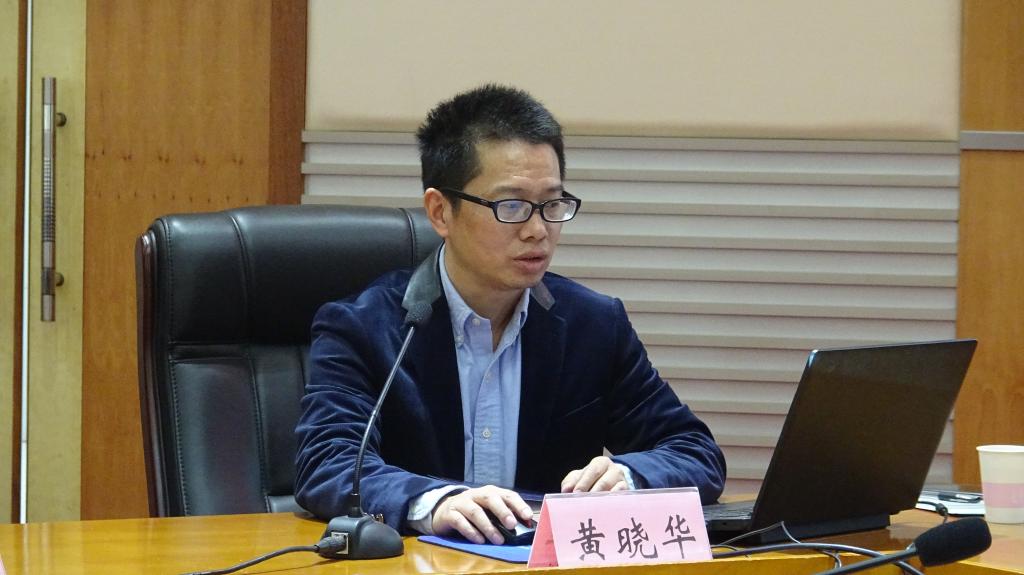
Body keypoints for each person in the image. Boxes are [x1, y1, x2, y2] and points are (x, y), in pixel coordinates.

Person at [294, 84, 725, 545]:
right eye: (512, 206)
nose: (538, 230)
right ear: (441, 212)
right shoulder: (364, 327)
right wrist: (435, 502)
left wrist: (630, 475)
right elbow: (327, 463)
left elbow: (695, 452)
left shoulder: (594, 326)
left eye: (552, 204)